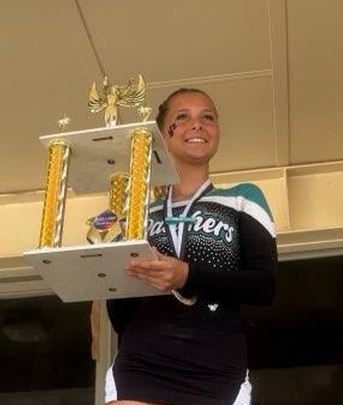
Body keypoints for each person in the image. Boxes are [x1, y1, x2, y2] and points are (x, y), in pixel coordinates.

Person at [105, 88, 277, 405]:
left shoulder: (242, 199)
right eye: (182, 117)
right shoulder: (139, 216)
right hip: (143, 364)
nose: (197, 124)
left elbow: (264, 286)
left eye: (208, 117)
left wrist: (187, 276)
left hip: (216, 368)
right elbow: (120, 311)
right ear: (162, 135)